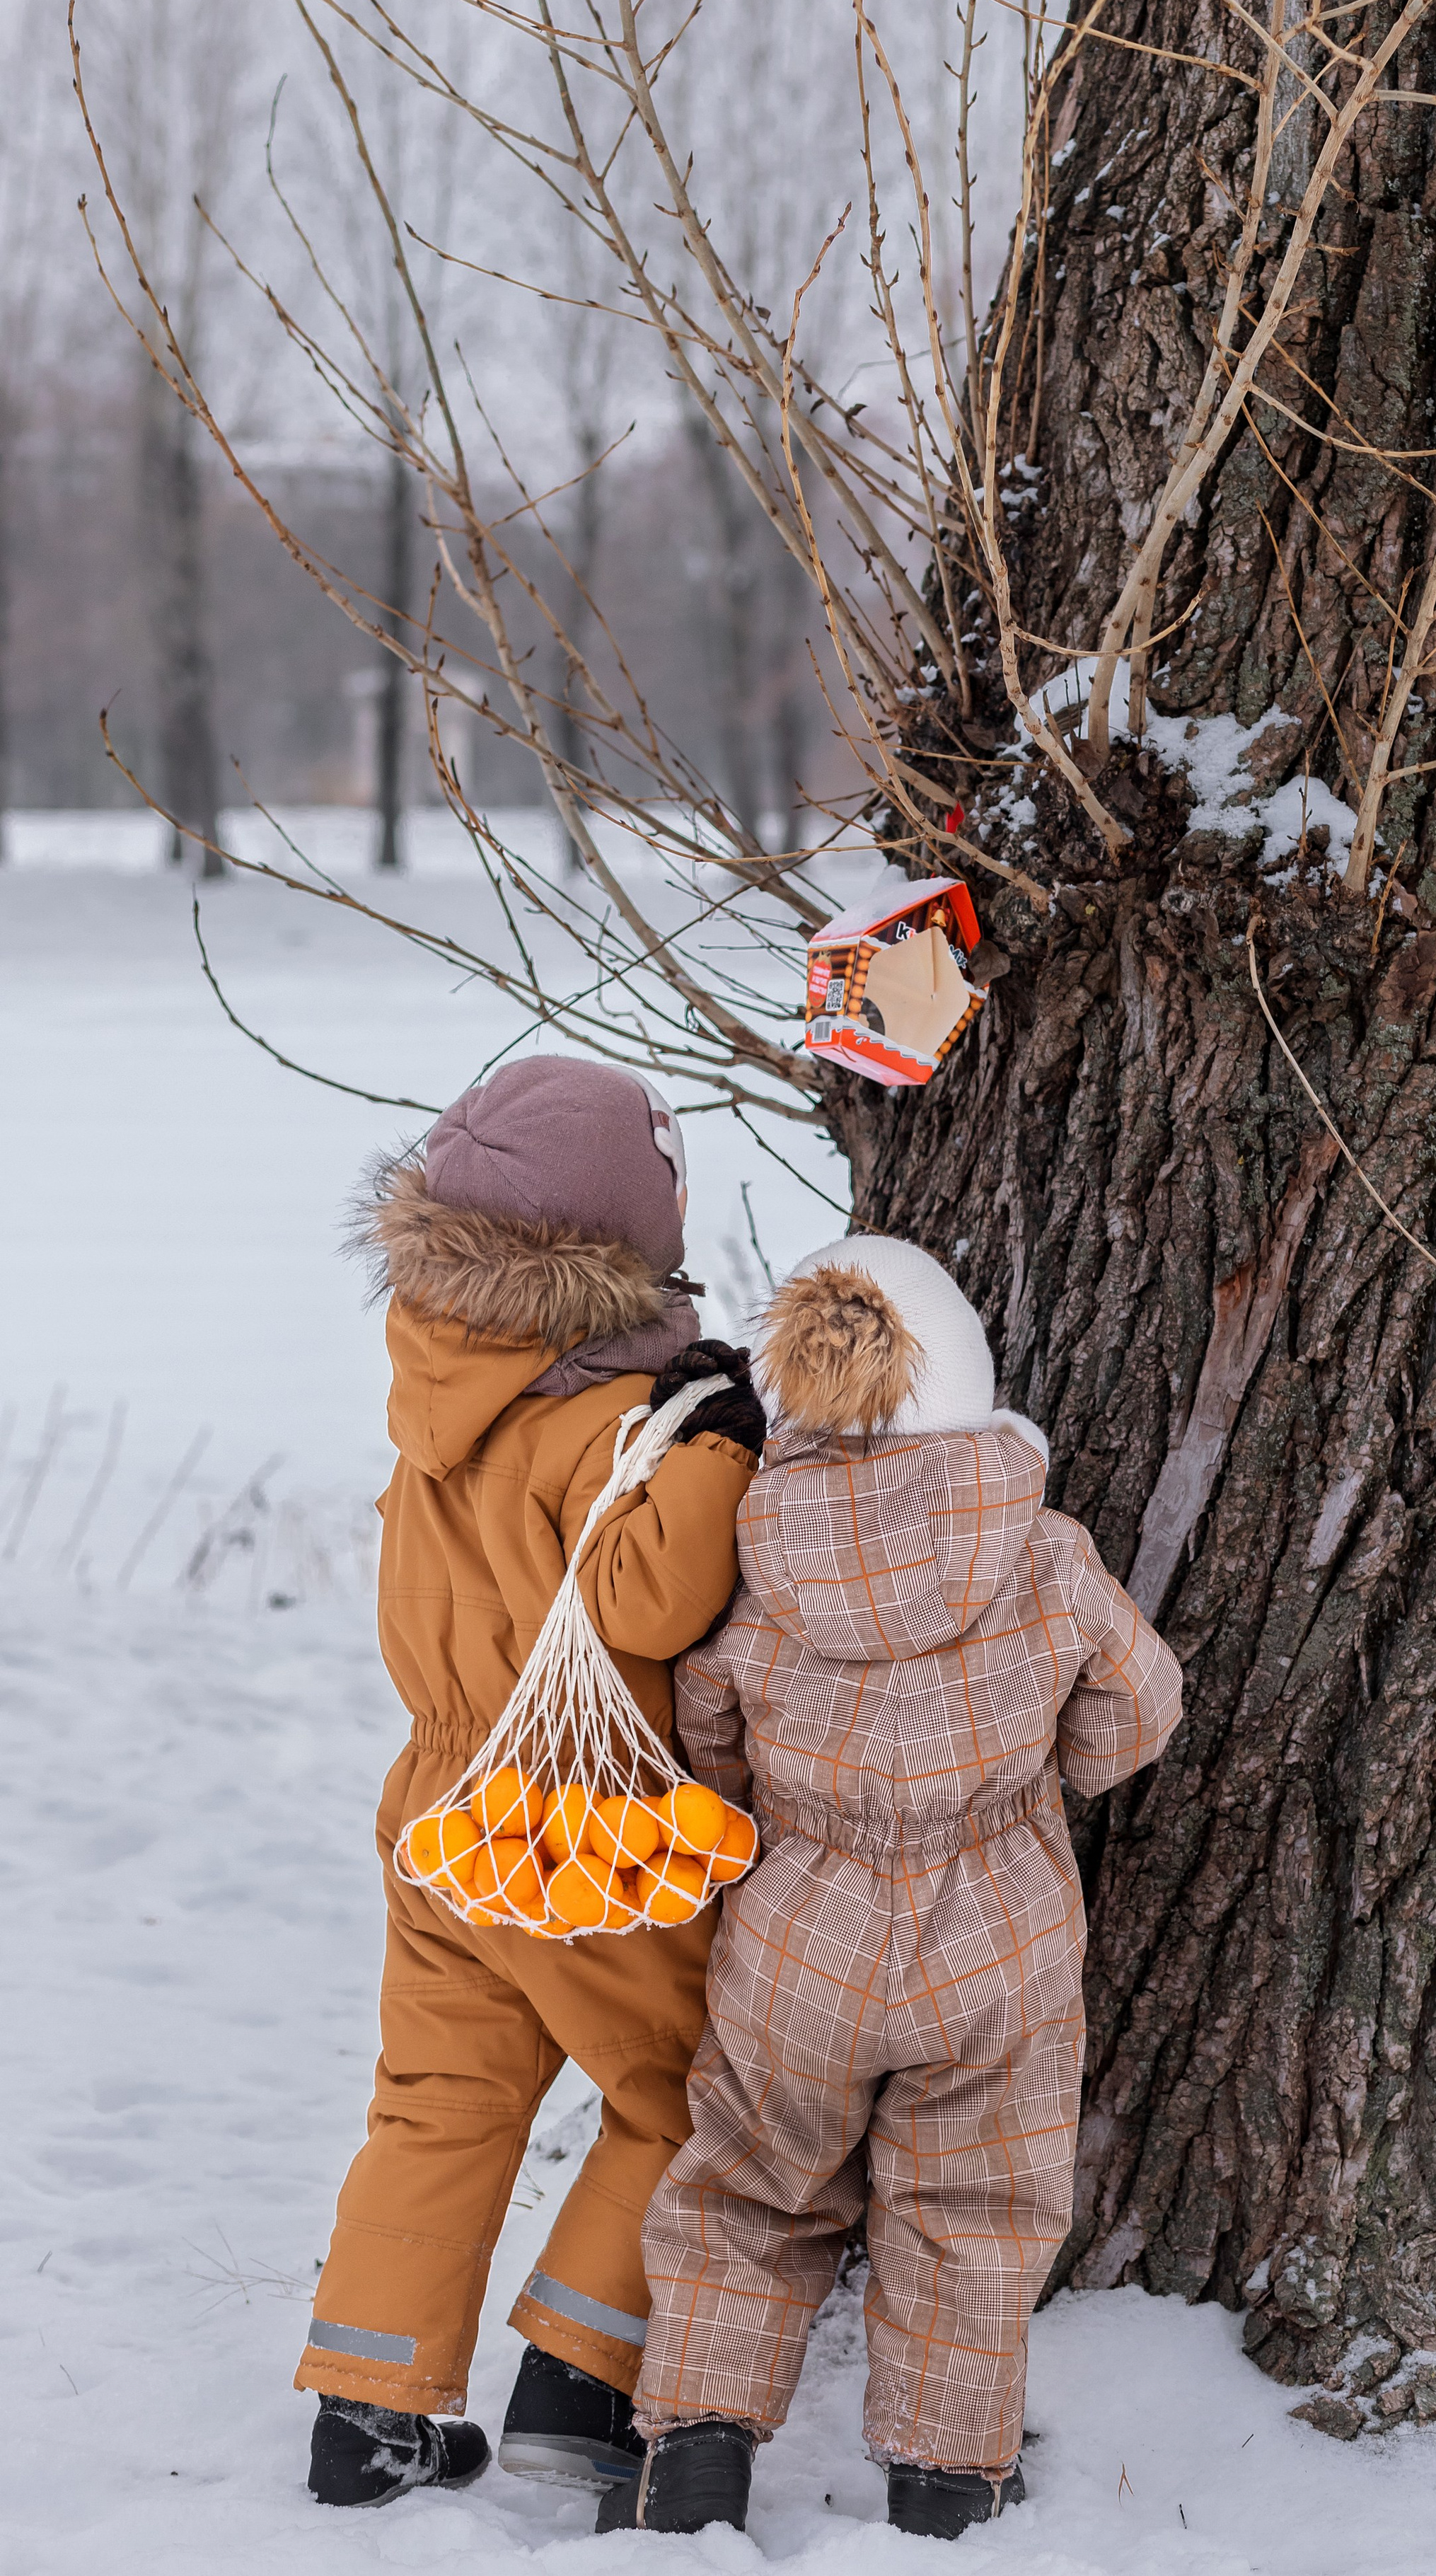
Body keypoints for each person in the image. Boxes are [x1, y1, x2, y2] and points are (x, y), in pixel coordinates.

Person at [606, 1236, 1182, 2543]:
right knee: (976, 2202)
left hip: (803, 1932)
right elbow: (1137, 1708)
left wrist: (778, 1816)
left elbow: (711, 1736)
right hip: (997, 1927)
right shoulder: (1041, 1555)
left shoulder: (761, 1571)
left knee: (750, 2185)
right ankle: (947, 2481)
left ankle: (692, 2456)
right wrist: (1056, 1773)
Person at [296, 1056, 767, 2510]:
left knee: (436, 2102)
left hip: (438, 1813)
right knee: (685, 2095)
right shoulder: (607, 1421)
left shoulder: (434, 1381)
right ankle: (582, 2377)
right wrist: (716, 1447)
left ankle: (366, 2410)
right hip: (573, 1825)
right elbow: (643, 1606)